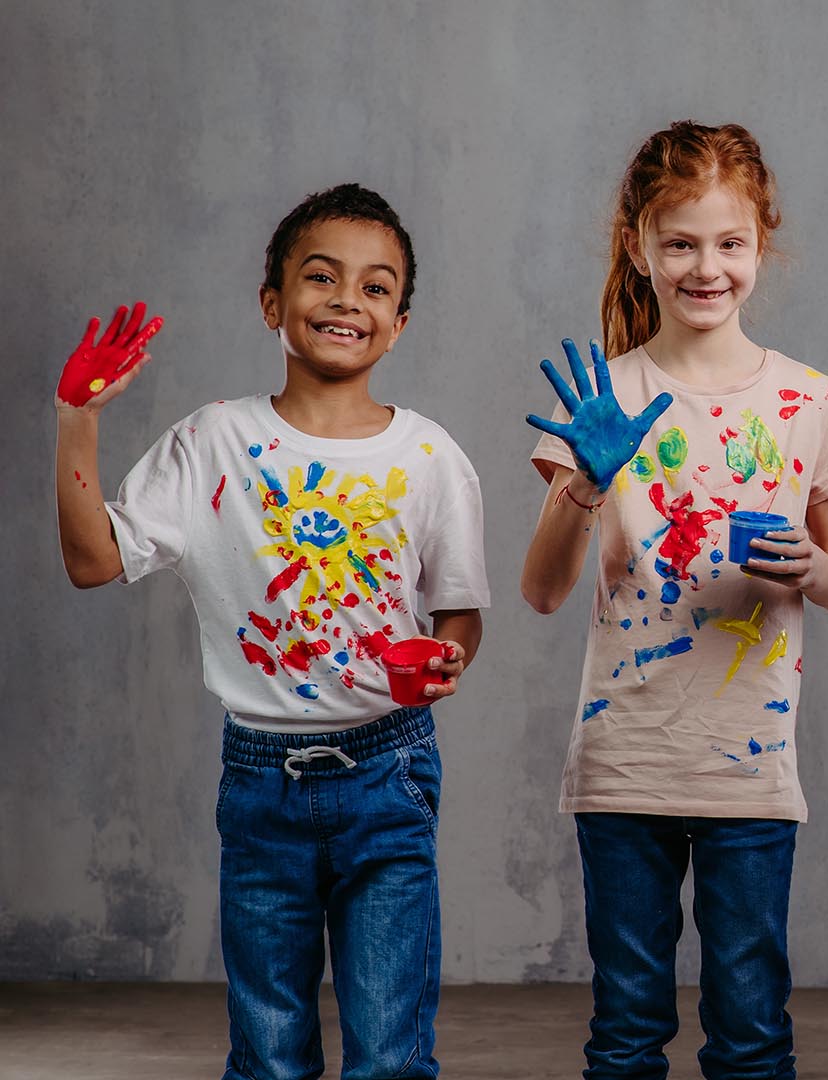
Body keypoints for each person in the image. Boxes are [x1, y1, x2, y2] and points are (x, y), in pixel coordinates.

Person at [54, 182, 488, 1080]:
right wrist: (78, 421)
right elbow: (93, 560)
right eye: (321, 277)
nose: (346, 301)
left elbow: (457, 611)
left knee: (391, 1054)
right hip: (260, 780)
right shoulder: (212, 441)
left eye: (376, 288)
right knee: (269, 1052)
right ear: (272, 303)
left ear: (398, 323)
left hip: (390, 769)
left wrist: (449, 656)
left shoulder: (431, 457)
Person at [520, 120, 828, 1080]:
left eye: (729, 243)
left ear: (762, 245)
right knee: (627, 1030)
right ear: (639, 246)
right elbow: (542, 591)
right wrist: (584, 484)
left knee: (752, 1030)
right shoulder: (607, 396)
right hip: (625, 761)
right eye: (679, 243)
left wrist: (808, 566)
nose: (704, 267)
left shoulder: (808, 400)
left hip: (748, 773)